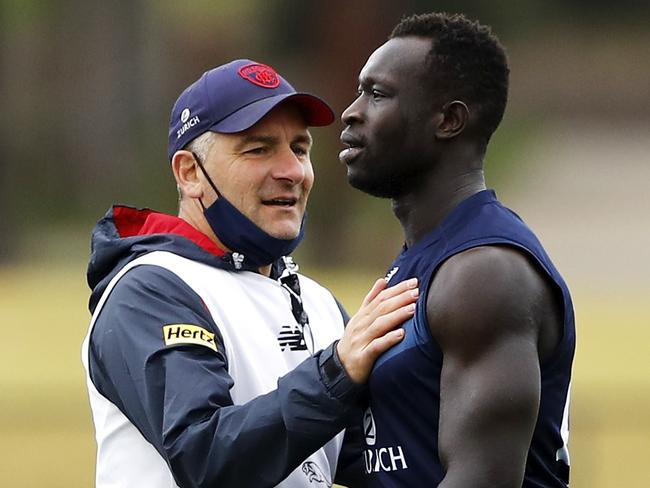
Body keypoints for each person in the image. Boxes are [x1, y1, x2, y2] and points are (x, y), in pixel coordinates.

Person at [81, 59, 419, 488]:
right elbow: (204, 456)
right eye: (258, 149)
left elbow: (383, 461)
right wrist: (336, 372)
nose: (292, 171)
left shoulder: (317, 302)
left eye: (299, 149)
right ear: (189, 174)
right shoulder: (150, 289)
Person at [339, 12, 575, 487]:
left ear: (448, 120)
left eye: (378, 94)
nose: (352, 111)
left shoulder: (484, 273)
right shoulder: (427, 258)